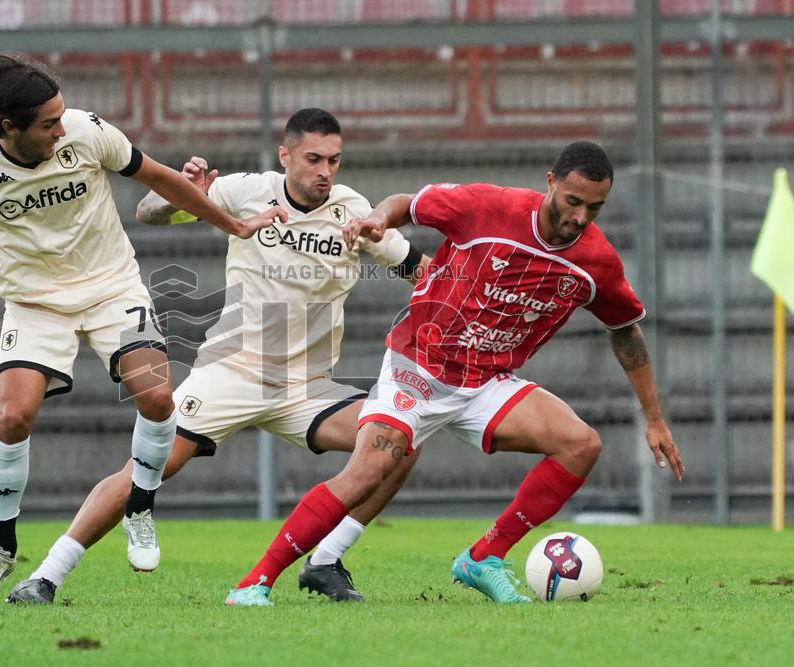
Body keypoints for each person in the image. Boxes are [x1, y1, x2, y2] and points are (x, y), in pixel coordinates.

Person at [0, 53, 283, 603]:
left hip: (112, 288)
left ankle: (140, 505)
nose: (62, 129)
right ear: (10, 128)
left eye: (62, 116)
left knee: (158, 398)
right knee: (13, 418)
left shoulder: (87, 132)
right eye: (48, 123)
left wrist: (233, 224)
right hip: (35, 305)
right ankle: (3, 544)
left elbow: (159, 178)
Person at [225, 141, 685, 606]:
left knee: (580, 444)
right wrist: (380, 220)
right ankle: (254, 583)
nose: (581, 217)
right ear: (551, 182)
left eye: (595, 208)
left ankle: (483, 558)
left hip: (486, 382)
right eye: (573, 201)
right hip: (417, 365)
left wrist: (654, 417)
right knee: (370, 470)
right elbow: (408, 204)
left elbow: (625, 331)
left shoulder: (597, 262)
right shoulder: (488, 206)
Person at [6, 108, 430, 605]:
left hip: (310, 388)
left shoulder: (353, 211)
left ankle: (325, 560)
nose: (325, 172)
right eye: (313, 159)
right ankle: (46, 577)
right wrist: (188, 189)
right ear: (285, 155)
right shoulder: (244, 190)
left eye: (334, 161)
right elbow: (150, 213)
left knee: (401, 438)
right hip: (232, 371)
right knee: (146, 469)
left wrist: (459, 289)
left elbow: (418, 270)